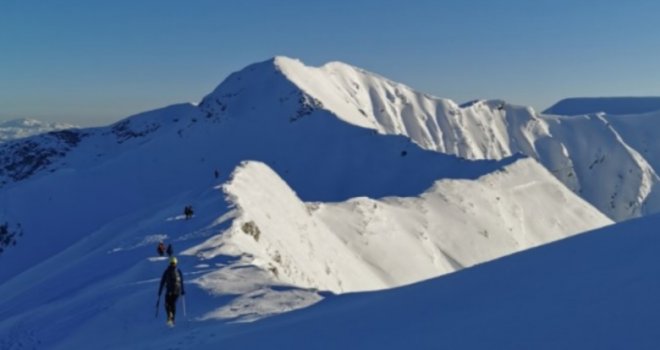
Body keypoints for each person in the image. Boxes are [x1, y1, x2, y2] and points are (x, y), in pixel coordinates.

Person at [158, 256, 185, 326]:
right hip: (177, 291)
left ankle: (169, 317)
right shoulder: (178, 271)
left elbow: (162, 282)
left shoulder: (166, 271)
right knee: (172, 304)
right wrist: (182, 290)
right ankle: (172, 319)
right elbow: (181, 281)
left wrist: (160, 292)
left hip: (169, 291)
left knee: (168, 304)